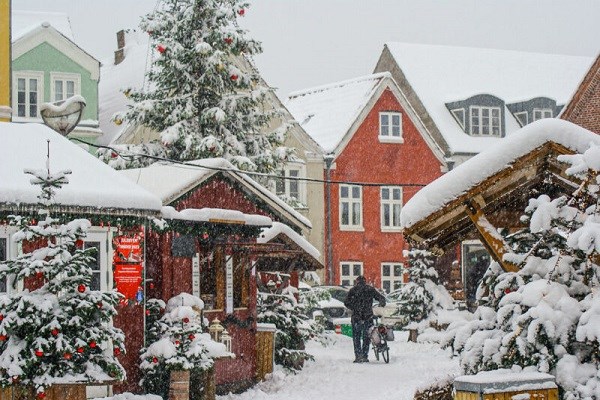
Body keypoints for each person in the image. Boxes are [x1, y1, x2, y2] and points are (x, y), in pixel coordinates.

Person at [343, 275, 386, 363]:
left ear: (357, 281)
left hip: (356, 317)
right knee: (366, 337)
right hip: (368, 316)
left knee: (356, 337)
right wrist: (382, 303)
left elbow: (346, 302)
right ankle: (365, 355)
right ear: (365, 281)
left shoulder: (353, 290)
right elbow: (381, 297)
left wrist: (354, 307)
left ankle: (358, 356)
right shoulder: (370, 289)